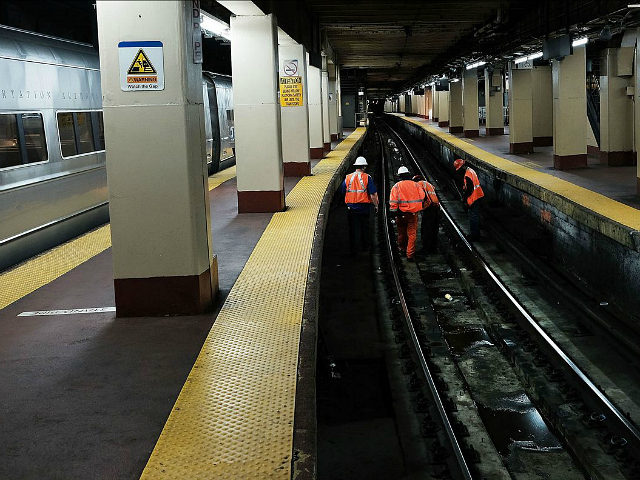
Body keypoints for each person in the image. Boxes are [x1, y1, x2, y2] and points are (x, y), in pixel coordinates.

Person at [341, 156, 379, 253]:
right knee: (365, 228)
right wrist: (376, 205)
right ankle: (365, 247)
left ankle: (354, 249)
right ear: (363, 167)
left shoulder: (348, 178)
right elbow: (373, 194)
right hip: (364, 208)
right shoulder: (367, 178)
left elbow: (342, 191)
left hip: (351, 208)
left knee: (353, 229)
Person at [389, 166, 426, 261]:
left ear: (399, 176)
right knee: (412, 234)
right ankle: (410, 255)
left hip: (400, 214)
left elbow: (393, 202)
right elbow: (423, 197)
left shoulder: (396, 186)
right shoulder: (416, 185)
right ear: (408, 175)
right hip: (413, 214)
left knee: (401, 233)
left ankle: (402, 249)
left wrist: (394, 214)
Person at [453, 158, 484, 241]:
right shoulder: (470, 170)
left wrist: (464, 199)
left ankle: (475, 236)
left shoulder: (467, 175)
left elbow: (469, 189)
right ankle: (477, 234)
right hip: (478, 195)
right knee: (476, 216)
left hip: (474, 197)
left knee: (473, 217)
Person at [413, 174, 440, 253]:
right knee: (434, 229)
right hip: (436, 207)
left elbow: (422, 196)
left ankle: (426, 248)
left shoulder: (419, 184)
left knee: (426, 229)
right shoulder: (428, 184)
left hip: (429, 209)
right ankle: (433, 248)